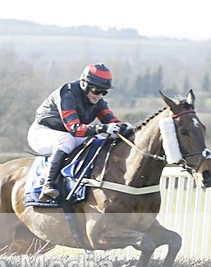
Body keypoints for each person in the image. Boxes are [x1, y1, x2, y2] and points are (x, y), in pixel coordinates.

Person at [28, 63, 133, 201]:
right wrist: (101, 128)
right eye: (96, 91)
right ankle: (48, 185)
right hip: (43, 132)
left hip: (69, 133)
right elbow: (74, 128)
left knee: (99, 141)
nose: (100, 96)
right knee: (66, 140)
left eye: (104, 92)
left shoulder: (98, 101)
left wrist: (124, 127)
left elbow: (109, 119)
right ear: (85, 84)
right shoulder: (68, 94)